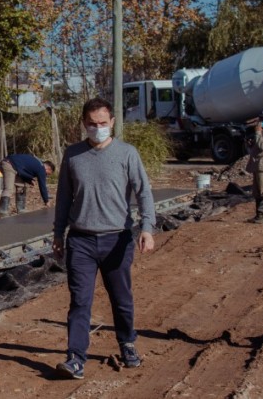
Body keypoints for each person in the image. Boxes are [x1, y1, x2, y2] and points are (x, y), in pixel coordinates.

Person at [51, 98, 156, 379]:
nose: (98, 128)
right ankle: (75, 358)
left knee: (121, 298)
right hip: (81, 241)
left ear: (112, 123)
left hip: (116, 239)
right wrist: (58, 233)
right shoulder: (73, 155)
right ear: (84, 124)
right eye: (92, 124)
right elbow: (63, 198)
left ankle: (127, 342)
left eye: (103, 123)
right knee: (80, 301)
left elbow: (143, 192)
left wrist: (147, 227)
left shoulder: (127, 154)